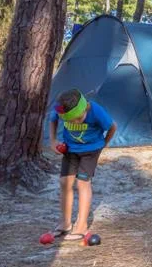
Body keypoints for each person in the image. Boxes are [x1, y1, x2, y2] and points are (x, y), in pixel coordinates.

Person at [48, 88, 116, 241]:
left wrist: (103, 144)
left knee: (82, 184)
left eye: (78, 118)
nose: (75, 122)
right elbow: (52, 119)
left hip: (90, 151)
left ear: (84, 108)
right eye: (70, 121)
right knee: (65, 182)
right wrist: (52, 141)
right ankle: (65, 223)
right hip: (70, 149)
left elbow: (113, 127)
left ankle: (82, 225)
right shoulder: (62, 109)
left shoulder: (96, 111)